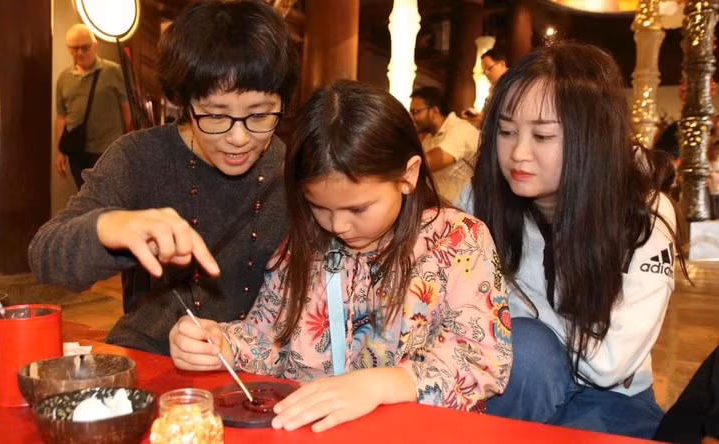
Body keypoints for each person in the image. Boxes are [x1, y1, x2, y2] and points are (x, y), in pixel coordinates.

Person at [170, 80, 512, 432]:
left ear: (408, 176)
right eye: (319, 206)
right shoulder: (305, 245)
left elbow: (481, 361)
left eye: (358, 208)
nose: (338, 225)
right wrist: (224, 346)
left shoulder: (458, 242)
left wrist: (381, 384)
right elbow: (267, 339)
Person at [29, 0, 298, 355]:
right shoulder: (139, 157)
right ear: (186, 104)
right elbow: (45, 257)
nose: (239, 137)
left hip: (257, 364)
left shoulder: (292, 166)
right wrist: (109, 227)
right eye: (216, 115)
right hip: (152, 353)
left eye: (260, 115)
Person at [459, 42, 687, 438]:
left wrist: (513, 292)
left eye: (543, 136)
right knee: (526, 347)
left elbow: (611, 363)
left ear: (592, 137)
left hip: (614, 397)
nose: (518, 153)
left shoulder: (643, 214)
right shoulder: (482, 197)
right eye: (507, 131)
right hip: (525, 380)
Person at [56, 24, 133, 189]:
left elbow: (127, 109)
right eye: (74, 48)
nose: (80, 53)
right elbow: (62, 116)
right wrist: (60, 151)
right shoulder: (64, 78)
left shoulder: (113, 71)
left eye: (85, 47)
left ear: (95, 46)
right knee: (84, 196)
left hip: (106, 149)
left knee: (106, 196)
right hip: (77, 151)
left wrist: (125, 142)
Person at [409, 87, 479, 202]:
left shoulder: (461, 128)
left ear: (434, 111)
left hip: (462, 213)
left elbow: (427, 163)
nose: (413, 117)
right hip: (440, 209)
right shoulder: (430, 137)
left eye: (416, 112)